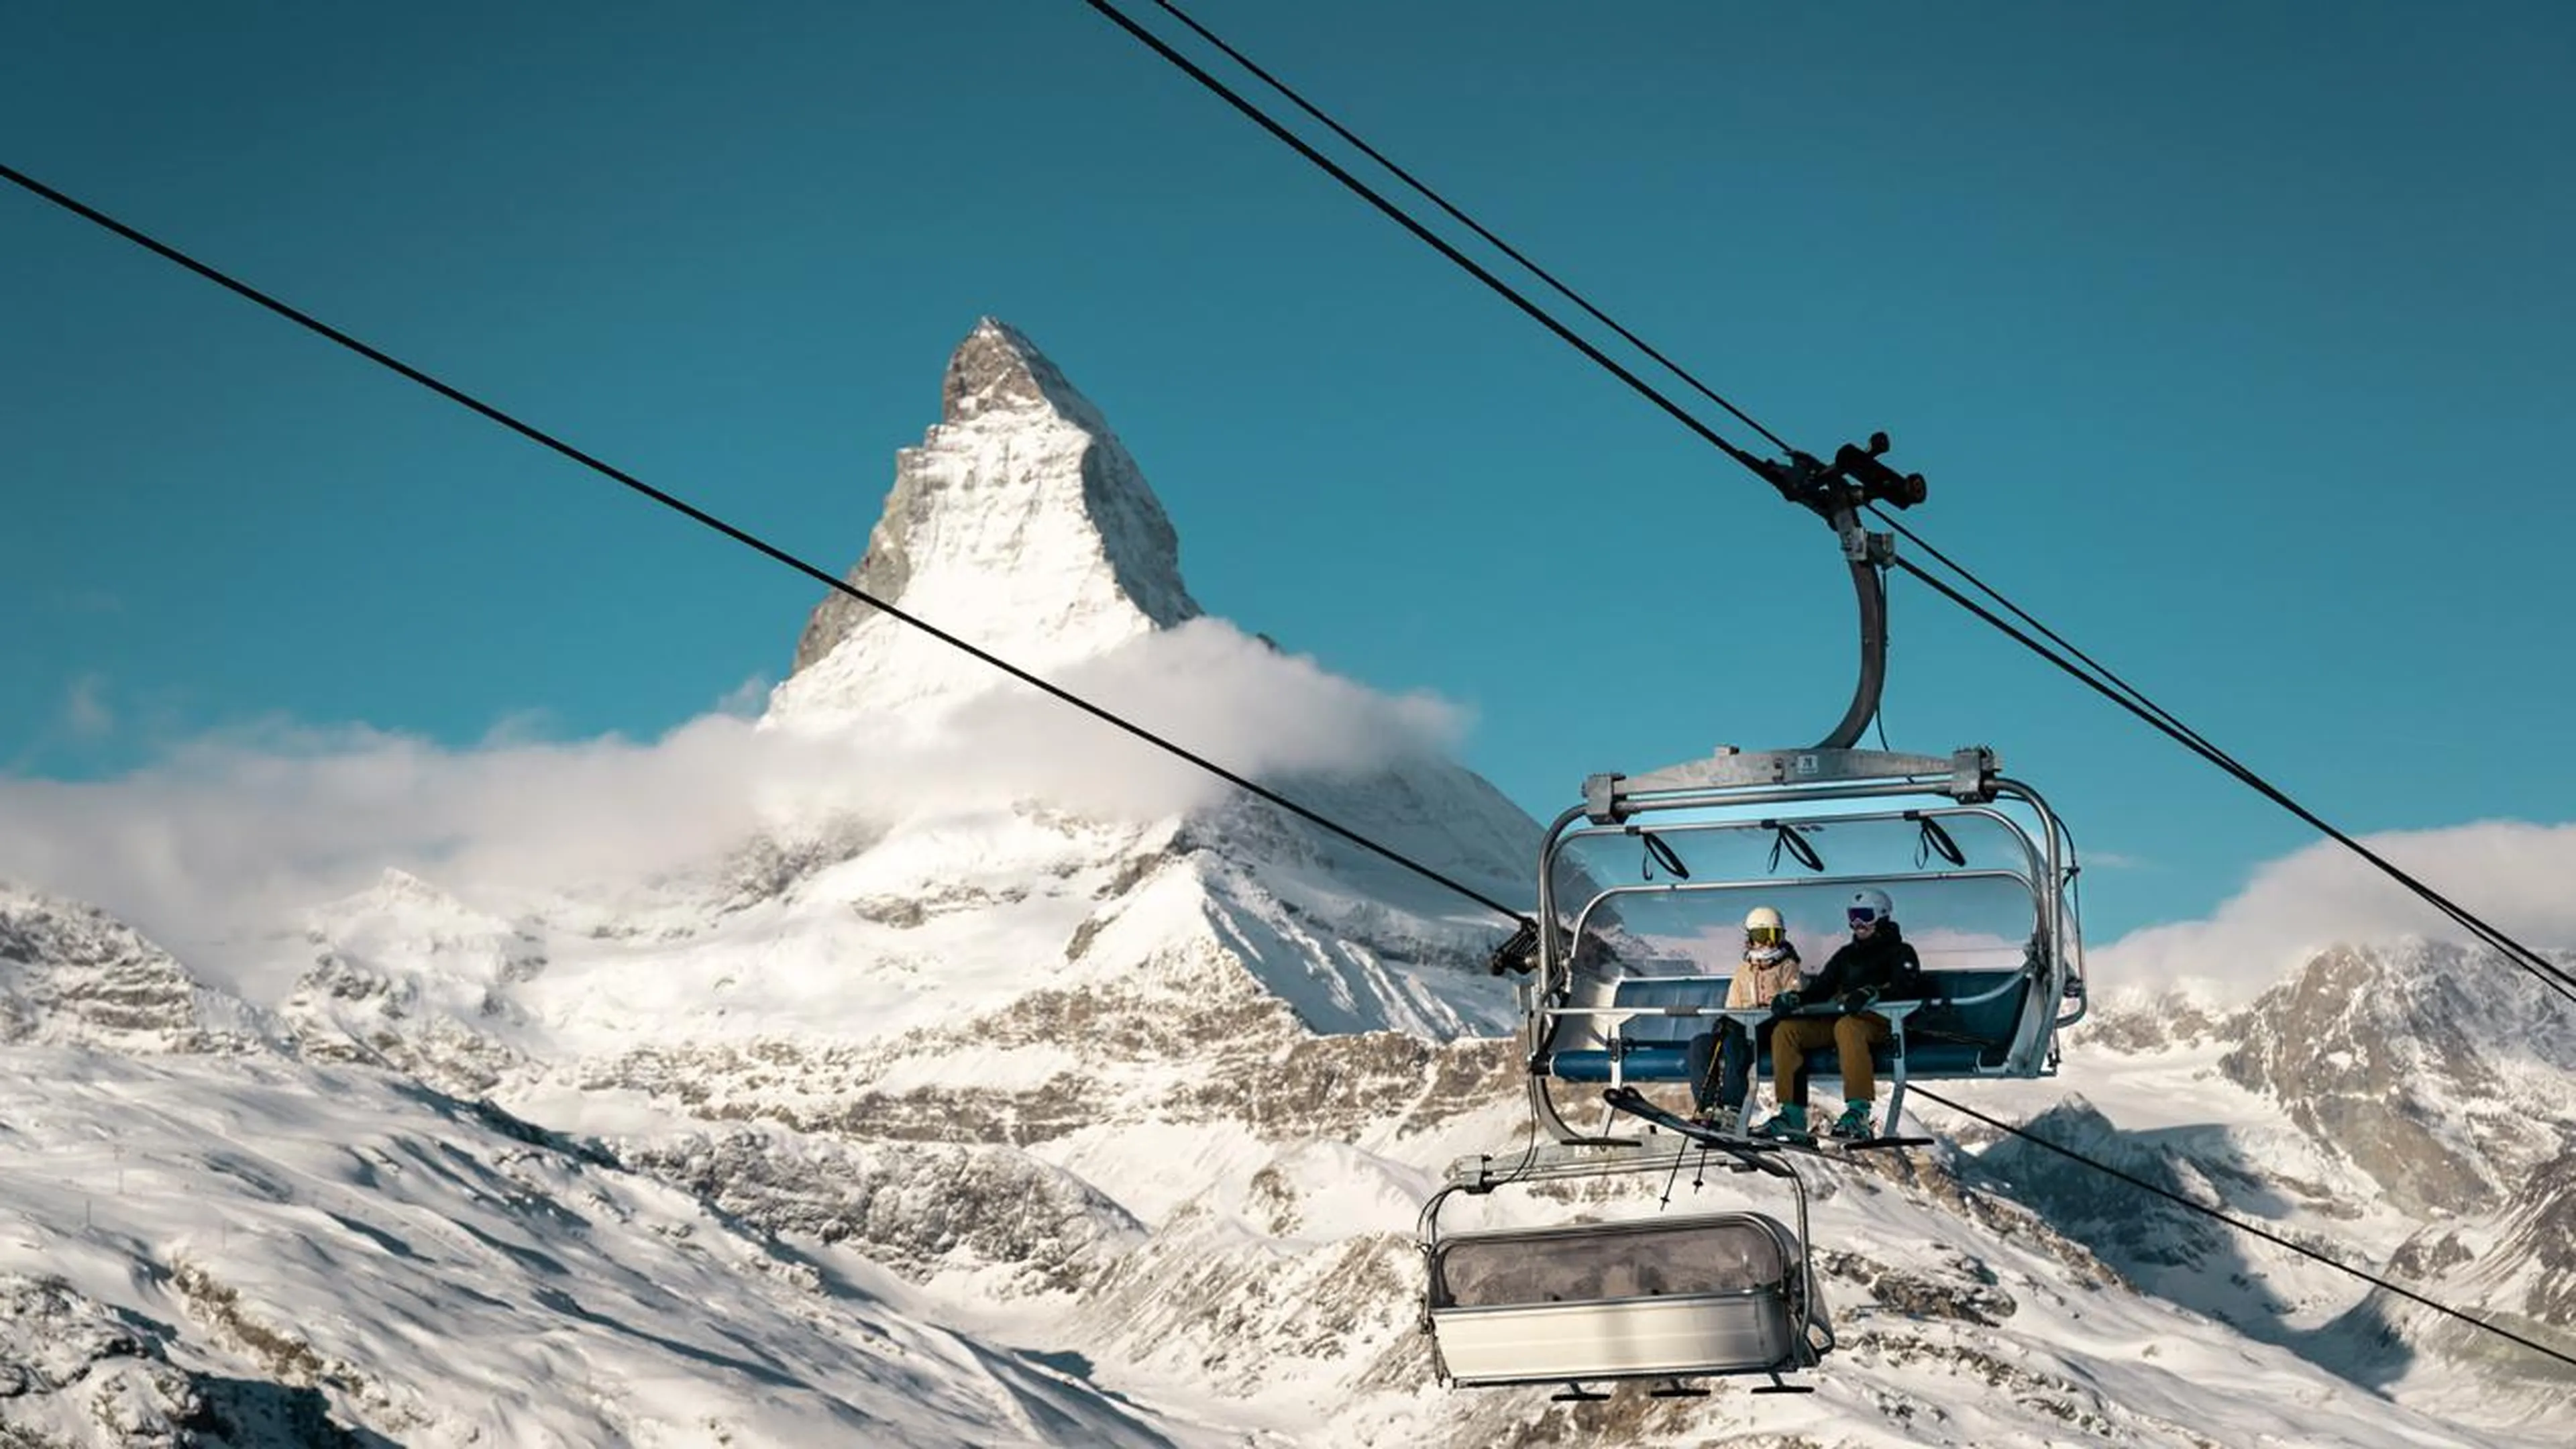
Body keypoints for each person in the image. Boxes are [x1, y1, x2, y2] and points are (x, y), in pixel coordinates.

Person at [1754, 887, 1924, 1143]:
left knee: (1848, 1027)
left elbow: (1906, 987)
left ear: (1881, 916)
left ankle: (1859, 1113)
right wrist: (1796, 998)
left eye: (1864, 916)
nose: (1857, 924)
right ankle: (1793, 1115)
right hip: (1840, 1022)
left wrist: (1872, 994)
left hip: (1884, 1023)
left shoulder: (1901, 952)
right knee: (1787, 1031)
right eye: (1853, 916)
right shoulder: (1847, 955)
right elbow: (1822, 988)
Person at [1690, 906, 1803, 1131]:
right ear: (1751, 938)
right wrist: (1726, 1020)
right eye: (1763, 936)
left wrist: (1784, 1002)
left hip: (1770, 1028)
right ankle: (1708, 1106)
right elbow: (1732, 1006)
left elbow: (1796, 995)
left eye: (1775, 936)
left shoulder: (1787, 967)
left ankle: (1732, 1109)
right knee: (1700, 1045)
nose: (1769, 944)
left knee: (1735, 1043)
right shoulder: (1744, 971)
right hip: (1742, 1025)